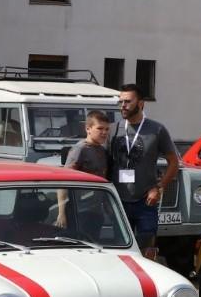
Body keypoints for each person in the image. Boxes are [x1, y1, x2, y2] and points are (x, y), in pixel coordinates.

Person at [109, 84, 178, 260]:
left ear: (141, 104)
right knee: (119, 252)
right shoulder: (112, 130)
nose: (123, 105)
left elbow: (173, 162)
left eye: (127, 101)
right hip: (118, 202)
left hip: (145, 201)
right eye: (121, 101)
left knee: (147, 250)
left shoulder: (156, 130)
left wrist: (159, 187)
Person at [57, 110, 112, 228]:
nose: (104, 133)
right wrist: (61, 213)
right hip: (80, 212)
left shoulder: (102, 151)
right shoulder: (79, 149)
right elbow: (63, 181)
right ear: (88, 129)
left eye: (107, 129)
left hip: (96, 211)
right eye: (100, 128)